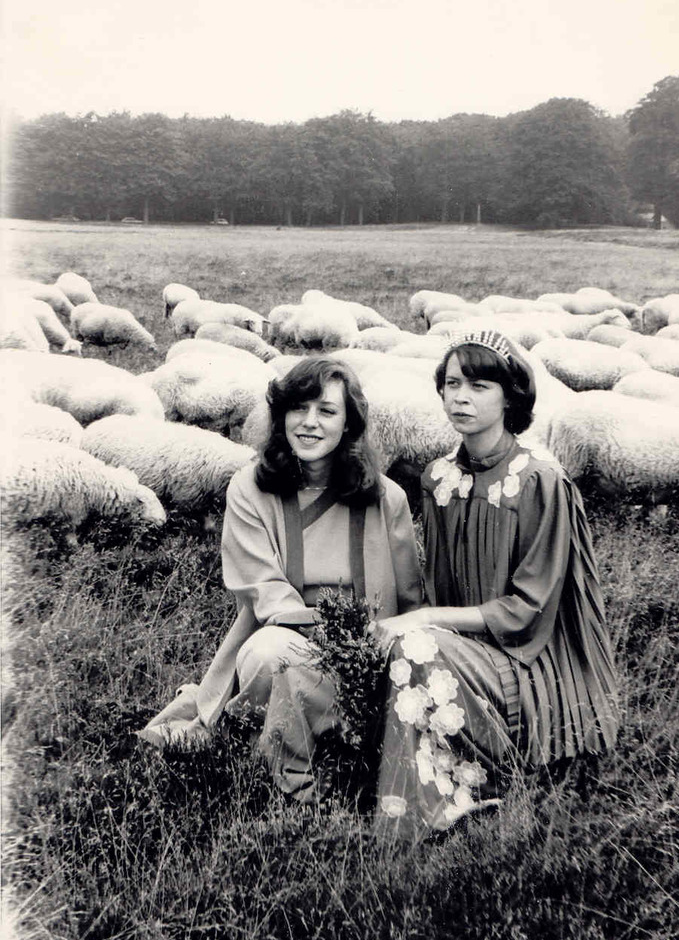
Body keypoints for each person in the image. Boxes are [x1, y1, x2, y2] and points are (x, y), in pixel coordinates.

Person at [368, 329, 621, 837]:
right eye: (452, 384)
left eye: (479, 386)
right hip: (464, 648)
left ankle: (459, 794)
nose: (460, 397)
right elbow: (440, 585)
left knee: (413, 642)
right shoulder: (437, 478)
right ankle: (440, 789)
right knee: (398, 644)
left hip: (530, 659)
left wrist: (425, 620)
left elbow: (528, 610)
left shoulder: (540, 480)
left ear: (510, 397)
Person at [136, 357, 422, 751]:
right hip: (289, 638)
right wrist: (333, 639)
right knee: (266, 654)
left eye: (327, 411)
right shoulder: (250, 489)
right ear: (282, 416)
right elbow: (263, 587)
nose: (310, 422)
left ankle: (343, 736)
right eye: (298, 408)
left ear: (348, 424)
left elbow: (409, 599)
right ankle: (271, 745)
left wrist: (377, 649)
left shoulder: (388, 498)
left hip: (369, 652)